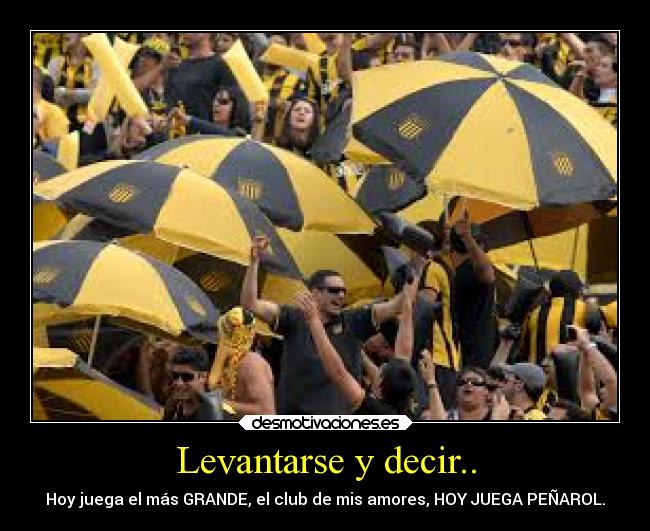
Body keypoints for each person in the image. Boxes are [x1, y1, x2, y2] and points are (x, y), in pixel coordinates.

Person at [241, 235, 409, 415]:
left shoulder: (353, 320)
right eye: (334, 290)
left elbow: (398, 305)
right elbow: (250, 305)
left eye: (344, 291)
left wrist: (412, 273)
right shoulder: (293, 318)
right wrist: (254, 262)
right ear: (314, 293)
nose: (341, 296)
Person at [293, 271, 421, 416]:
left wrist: (314, 321)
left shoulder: (372, 410)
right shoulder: (406, 411)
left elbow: (338, 373)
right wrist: (407, 302)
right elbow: (404, 351)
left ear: (379, 387)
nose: (380, 366)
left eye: (382, 369)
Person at [449, 212, 498, 369]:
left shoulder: (473, 268)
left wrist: (467, 239)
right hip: (460, 350)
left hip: (474, 355)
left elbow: (487, 275)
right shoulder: (452, 271)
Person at [208, 307, 275, 418]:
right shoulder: (225, 361)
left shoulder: (252, 364)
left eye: (230, 331)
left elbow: (266, 412)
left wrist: (220, 404)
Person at [164, 33, 236, 126]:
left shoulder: (222, 65)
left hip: (207, 135)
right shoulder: (176, 67)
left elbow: (230, 108)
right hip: (176, 136)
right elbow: (169, 103)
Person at [521, 270, 587, 364]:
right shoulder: (584, 308)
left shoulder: (534, 313)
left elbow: (523, 347)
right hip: (572, 374)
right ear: (576, 289)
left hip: (537, 373)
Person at [421, 362, 510, 421]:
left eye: (475, 382)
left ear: (488, 392)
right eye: (462, 382)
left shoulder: (501, 417)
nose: (468, 384)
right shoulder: (445, 416)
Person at [163, 347, 224, 421]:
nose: (179, 383)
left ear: (203, 377)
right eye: (175, 375)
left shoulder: (213, 414)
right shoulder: (173, 404)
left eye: (187, 377)